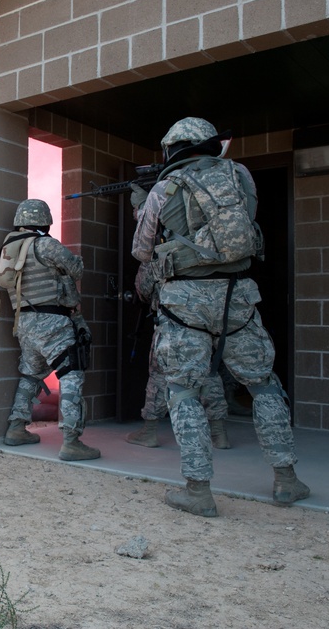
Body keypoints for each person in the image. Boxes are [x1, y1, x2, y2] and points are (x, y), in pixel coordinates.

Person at [131, 117, 309, 516]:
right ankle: (286, 480)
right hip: (238, 295)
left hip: (183, 304)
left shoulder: (164, 187)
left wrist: (144, 206)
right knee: (263, 385)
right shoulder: (241, 175)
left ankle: (198, 490)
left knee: (183, 390)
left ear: (172, 148)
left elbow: (142, 251)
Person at [0, 199, 100, 461]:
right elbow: (76, 269)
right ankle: (71, 441)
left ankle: (16, 428)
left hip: (25, 323)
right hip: (52, 321)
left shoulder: (10, 248)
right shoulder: (45, 244)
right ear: (44, 220)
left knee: (31, 375)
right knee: (71, 373)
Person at [126, 263, 233, 449]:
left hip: (173, 319)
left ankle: (149, 431)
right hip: (207, 318)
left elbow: (143, 288)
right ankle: (219, 432)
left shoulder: (161, 248)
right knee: (208, 372)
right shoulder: (206, 244)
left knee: (159, 373)